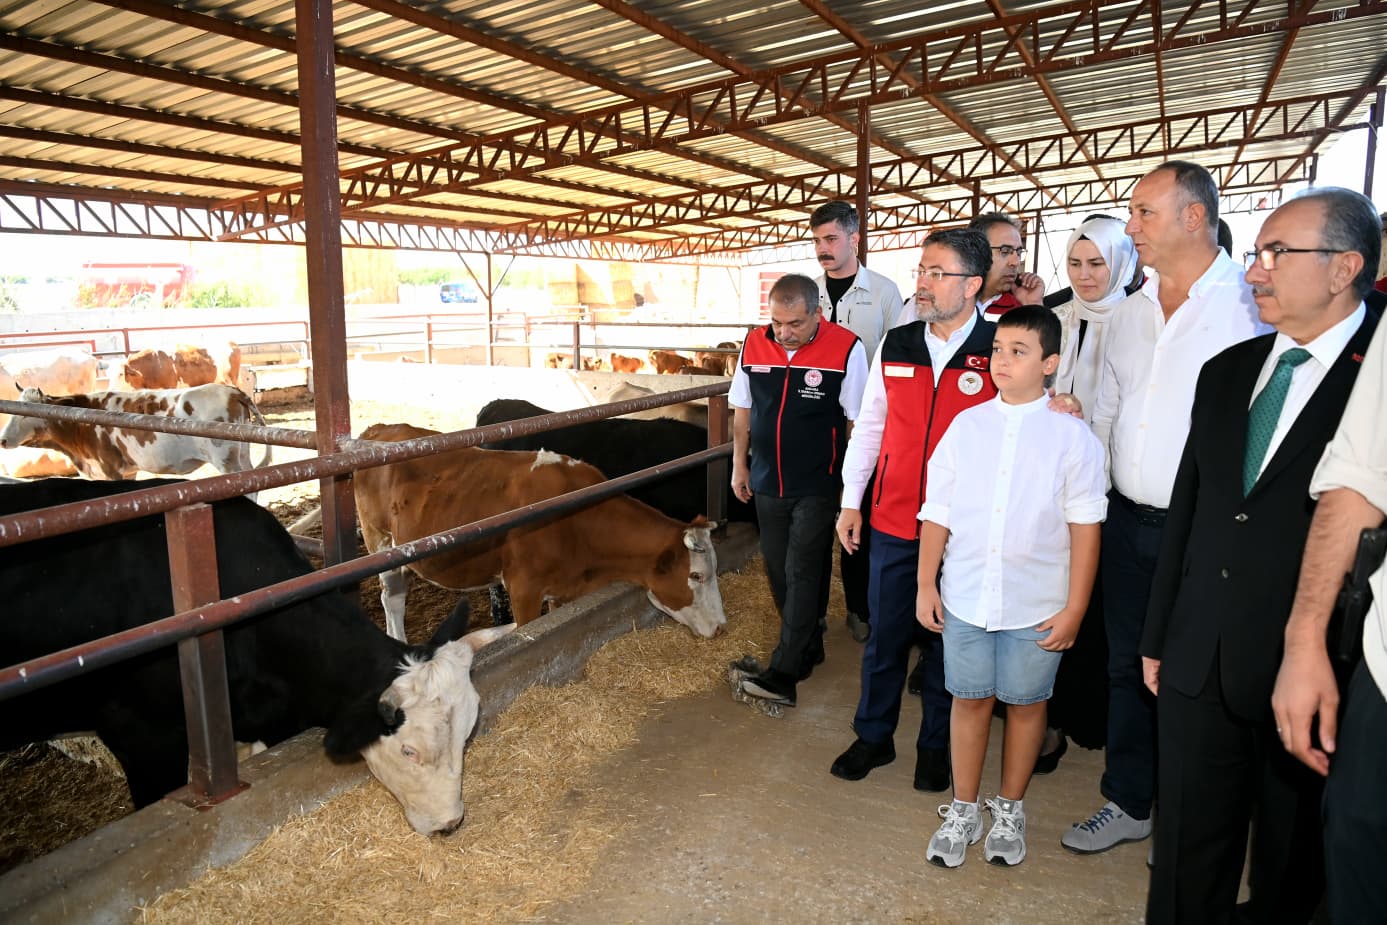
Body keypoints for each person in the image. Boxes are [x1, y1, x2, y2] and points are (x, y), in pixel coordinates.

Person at [1140, 187, 1380, 923]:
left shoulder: (1374, 378)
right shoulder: (1226, 370)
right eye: (1256, 253)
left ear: (1344, 268)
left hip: (1314, 675)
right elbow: (1190, 510)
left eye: (1278, 254)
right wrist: (1157, 636)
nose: (1255, 271)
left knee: (1293, 864)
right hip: (1197, 656)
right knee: (1185, 856)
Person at [1065, 160, 1268, 854]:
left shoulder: (1248, 306)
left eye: (1143, 212)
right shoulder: (1127, 312)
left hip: (1208, 532)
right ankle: (1129, 798)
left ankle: (1192, 814)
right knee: (1125, 664)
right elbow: (1109, 413)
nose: (1129, 226)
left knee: (1196, 675)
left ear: (1192, 216)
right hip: (1126, 521)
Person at [917, 305, 1106, 868]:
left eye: (1018, 352)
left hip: (1037, 603)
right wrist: (927, 583)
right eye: (998, 349)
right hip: (967, 594)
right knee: (969, 700)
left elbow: (1086, 529)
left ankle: (1011, 806)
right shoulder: (967, 426)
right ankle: (963, 807)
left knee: (1026, 706)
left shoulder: (1073, 439)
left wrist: (1075, 608)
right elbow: (937, 512)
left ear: (1050, 363)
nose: (1002, 360)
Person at [831, 228, 998, 793]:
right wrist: (852, 500)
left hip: (967, 529)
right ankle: (873, 736)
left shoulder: (999, 349)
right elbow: (871, 426)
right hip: (897, 519)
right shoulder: (897, 344)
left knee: (949, 644)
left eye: (936, 273)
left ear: (972, 284)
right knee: (886, 637)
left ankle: (936, 745)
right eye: (921, 271)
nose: (921, 283)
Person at [1272, 197, 1387, 925]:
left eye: (1278, 253)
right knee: (1359, 836)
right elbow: (1355, 483)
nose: (1262, 271)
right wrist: (1305, 637)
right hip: (1386, 661)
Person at [729, 273, 869, 707]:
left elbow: (858, 422)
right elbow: (743, 410)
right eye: (777, 323)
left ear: (817, 313)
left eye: (795, 324)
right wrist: (739, 466)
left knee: (803, 569)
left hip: (818, 479)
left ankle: (784, 673)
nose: (785, 334)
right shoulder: (754, 344)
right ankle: (810, 646)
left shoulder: (847, 347)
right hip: (768, 478)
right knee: (776, 568)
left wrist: (851, 487)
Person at [809, 201, 906, 644]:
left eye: (831, 239)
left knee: (857, 512)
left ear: (854, 239)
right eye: (817, 241)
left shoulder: (884, 293)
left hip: (863, 427)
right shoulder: (807, 294)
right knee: (813, 514)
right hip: (815, 421)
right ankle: (810, 609)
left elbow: (897, 358)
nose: (823, 249)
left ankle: (858, 607)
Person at [967, 213, 1046, 321]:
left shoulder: (1021, 309)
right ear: (976, 252)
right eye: (1005, 251)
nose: (1016, 262)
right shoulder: (949, 305)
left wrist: (1033, 305)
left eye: (1018, 252)